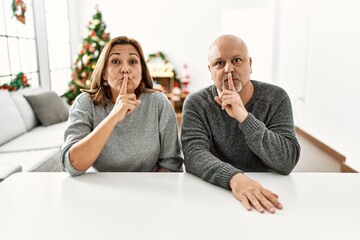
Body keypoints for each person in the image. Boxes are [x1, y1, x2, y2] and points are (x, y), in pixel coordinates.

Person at [181, 34, 300, 214]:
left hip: (267, 191)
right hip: (213, 192)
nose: (229, 69)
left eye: (236, 60)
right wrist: (235, 178)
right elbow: (193, 155)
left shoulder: (276, 98)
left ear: (250, 64)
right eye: (219, 63)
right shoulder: (196, 103)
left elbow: (287, 161)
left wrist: (244, 117)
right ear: (210, 70)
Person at [60, 36, 183, 176]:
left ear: (141, 72)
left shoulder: (159, 103)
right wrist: (114, 116)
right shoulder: (85, 103)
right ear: (104, 73)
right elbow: (71, 165)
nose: (125, 69)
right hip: (104, 188)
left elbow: (172, 165)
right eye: (115, 61)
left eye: (132, 62)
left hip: (149, 190)